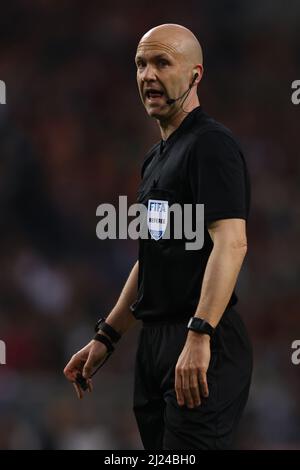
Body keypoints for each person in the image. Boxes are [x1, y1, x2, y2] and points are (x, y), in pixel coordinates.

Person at [64, 23, 253, 450]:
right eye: (141, 64)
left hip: (201, 341)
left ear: (195, 75)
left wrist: (200, 333)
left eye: (162, 62)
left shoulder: (212, 145)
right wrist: (106, 337)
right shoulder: (155, 158)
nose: (148, 74)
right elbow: (153, 258)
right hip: (156, 344)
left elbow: (231, 241)